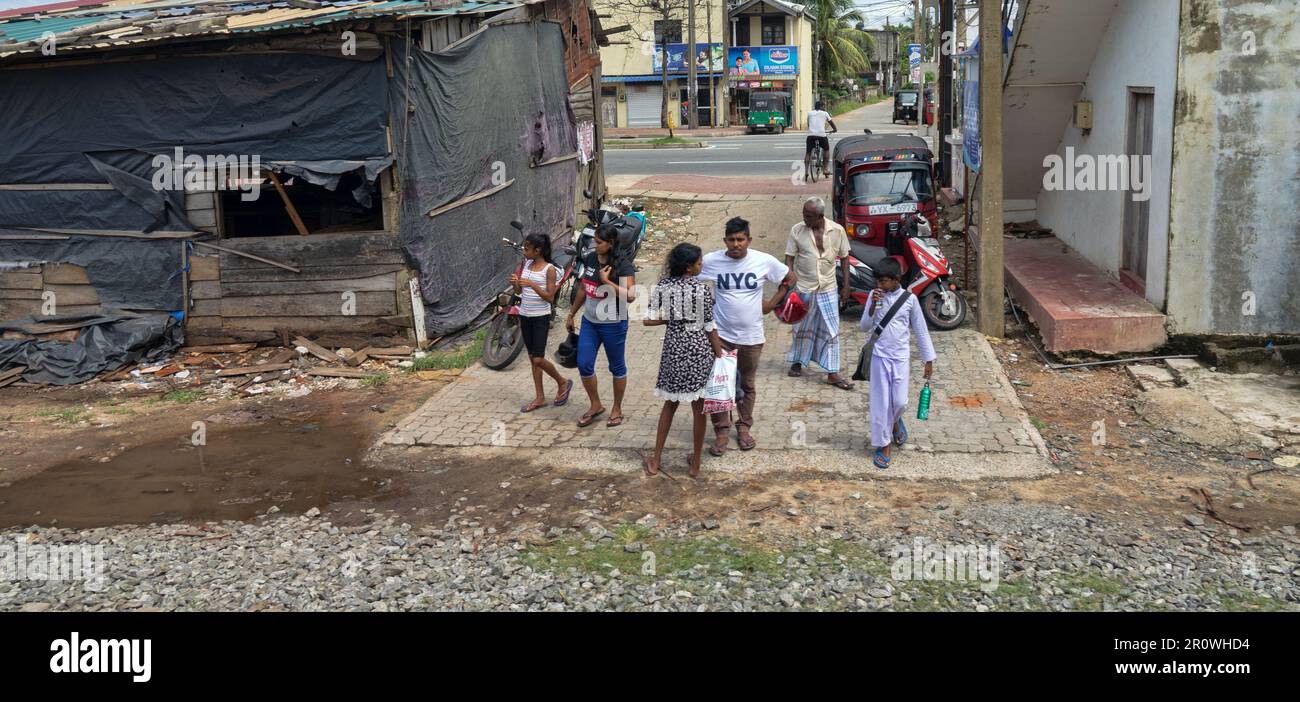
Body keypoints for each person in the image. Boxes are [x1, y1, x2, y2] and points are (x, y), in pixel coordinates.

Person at [700, 217, 795, 456]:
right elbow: (691, 276)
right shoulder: (712, 260)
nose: (735, 244)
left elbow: (789, 278)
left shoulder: (763, 260)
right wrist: (705, 304)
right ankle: (722, 431)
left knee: (747, 384)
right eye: (731, 240)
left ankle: (743, 428)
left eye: (740, 239)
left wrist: (772, 303)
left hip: (752, 336)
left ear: (748, 240)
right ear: (725, 241)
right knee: (721, 384)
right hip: (720, 336)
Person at [643, 243, 722, 478]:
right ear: (689, 267)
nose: (702, 266)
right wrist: (720, 354)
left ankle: (656, 460)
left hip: (674, 352)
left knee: (670, 405)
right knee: (699, 409)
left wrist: (672, 321)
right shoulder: (702, 289)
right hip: (699, 352)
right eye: (699, 263)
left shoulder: (663, 286)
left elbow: (647, 320)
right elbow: (710, 327)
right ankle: (695, 464)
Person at [863, 257, 936, 470]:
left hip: (901, 358)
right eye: (878, 282)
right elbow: (864, 327)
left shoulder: (909, 300)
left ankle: (895, 422)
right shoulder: (873, 296)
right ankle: (883, 445)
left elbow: (921, 330)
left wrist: (928, 359)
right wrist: (872, 308)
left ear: (896, 279)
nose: (880, 286)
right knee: (881, 403)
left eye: (884, 282)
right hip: (879, 356)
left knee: (900, 402)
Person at [566, 222, 636, 428]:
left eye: (599, 242)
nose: (595, 246)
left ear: (611, 243)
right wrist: (571, 314)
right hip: (590, 322)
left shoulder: (623, 265)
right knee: (584, 363)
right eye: (594, 241)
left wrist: (607, 282)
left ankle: (617, 408)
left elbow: (631, 296)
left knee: (616, 367)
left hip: (613, 323)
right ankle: (595, 405)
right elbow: (582, 288)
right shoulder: (589, 259)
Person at [786, 196, 853, 390]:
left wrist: (846, 286)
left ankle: (832, 373)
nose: (804, 218)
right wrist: (789, 279)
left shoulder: (837, 231)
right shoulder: (797, 230)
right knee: (800, 328)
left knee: (831, 331)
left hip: (828, 288)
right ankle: (798, 361)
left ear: (820, 216)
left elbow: (845, 258)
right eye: (804, 214)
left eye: (808, 216)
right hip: (804, 287)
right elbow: (789, 257)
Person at [511, 233, 572, 412]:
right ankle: (540, 397)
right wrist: (515, 283)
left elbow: (550, 298)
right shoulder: (526, 264)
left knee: (538, 358)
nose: (524, 251)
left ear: (538, 251)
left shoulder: (549, 269)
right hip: (525, 315)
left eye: (527, 248)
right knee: (532, 359)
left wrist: (532, 284)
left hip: (540, 317)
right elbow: (519, 290)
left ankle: (562, 382)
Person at [803, 101, 837, 180]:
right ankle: (825, 169)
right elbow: (831, 123)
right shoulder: (825, 113)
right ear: (821, 106)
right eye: (823, 106)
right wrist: (834, 129)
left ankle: (806, 171)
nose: (824, 107)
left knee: (808, 152)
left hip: (811, 135)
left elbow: (808, 124)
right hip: (821, 135)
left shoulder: (810, 113)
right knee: (826, 149)